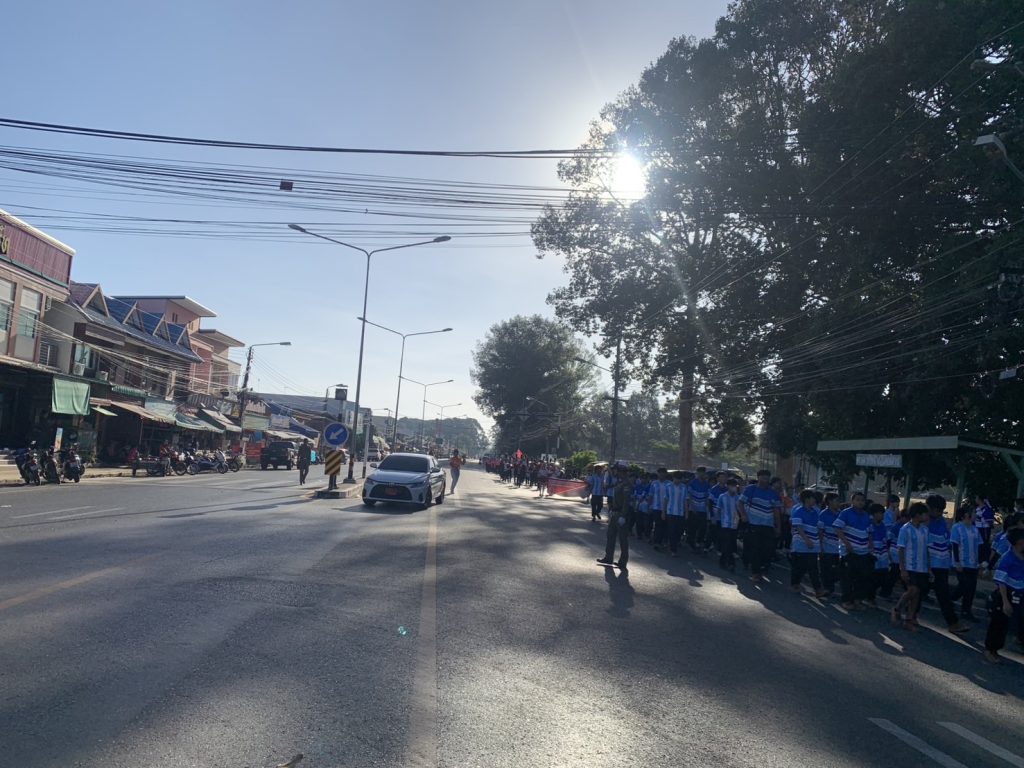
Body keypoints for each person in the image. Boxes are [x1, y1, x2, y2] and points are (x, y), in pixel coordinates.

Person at [920, 494, 971, 634]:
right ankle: (903, 612)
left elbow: (946, 543)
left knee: (942, 594)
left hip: (941, 564)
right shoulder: (923, 522)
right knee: (918, 591)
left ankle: (953, 623)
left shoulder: (942, 522)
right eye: (937, 510)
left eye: (941, 510)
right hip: (927, 564)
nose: (939, 513)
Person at [984, 528, 1024, 663]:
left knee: (1013, 622)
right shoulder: (1007, 558)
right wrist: (1005, 602)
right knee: (999, 623)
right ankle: (990, 649)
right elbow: (1001, 581)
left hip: (1020, 593)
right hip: (1006, 593)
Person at [738, 469, 783, 583]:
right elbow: (740, 503)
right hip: (753, 524)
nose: (765, 480)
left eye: (767, 478)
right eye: (763, 477)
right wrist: (743, 515)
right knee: (755, 549)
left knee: (768, 549)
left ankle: (762, 568)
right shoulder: (750, 489)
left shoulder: (773, 493)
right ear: (758, 477)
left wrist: (778, 527)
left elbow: (776, 511)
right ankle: (755, 573)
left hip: (768, 526)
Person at [894, 502, 931, 630]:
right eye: (924, 514)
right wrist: (902, 568)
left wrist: (929, 568)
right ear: (917, 515)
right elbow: (901, 549)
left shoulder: (925, 530)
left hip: (922, 567)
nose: (927, 516)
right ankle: (897, 608)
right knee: (912, 590)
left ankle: (910, 618)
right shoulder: (905, 529)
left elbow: (927, 550)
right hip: (909, 566)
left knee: (917, 594)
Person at [833, 492, 873, 610]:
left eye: (862, 500)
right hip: (848, 552)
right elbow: (837, 529)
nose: (860, 502)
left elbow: (870, 531)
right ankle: (846, 600)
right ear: (852, 501)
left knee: (861, 577)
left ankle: (857, 600)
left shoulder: (866, 515)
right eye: (858, 500)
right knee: (847, 578)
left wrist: (870, 544)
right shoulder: (845, 513)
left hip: (863, 552)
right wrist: (847, 544)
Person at [597, 466, 634, 572]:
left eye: (617, 471)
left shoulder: (626, 484)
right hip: (615, 512)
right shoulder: (619, 482)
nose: (615, 472)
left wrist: (623, 515)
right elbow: (613, 493)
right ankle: (608, 557)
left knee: (622, 538)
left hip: (621, 513)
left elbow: (626, 501)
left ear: (622, 472)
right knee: (610, 535)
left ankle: (623, 562)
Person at [789, 489, 824, 596]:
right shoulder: (798, 511)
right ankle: (795, 584)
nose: (814, 500)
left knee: (813, 567)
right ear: (807, 499)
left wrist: (819, 542)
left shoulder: (816, 512)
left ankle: (818, 589)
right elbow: (799, 528)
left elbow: (819, 528)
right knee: (799, 566)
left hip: (813, 545)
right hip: (801, 544)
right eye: (813, 498)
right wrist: (807, 540)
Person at [950, 506, 982, 622]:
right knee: (964, 585)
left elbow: (979, 545)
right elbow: (954, 545)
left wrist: (980, 562)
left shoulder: (975, 529)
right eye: (972, 513)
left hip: (973, 563)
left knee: (971, 588)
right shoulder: (957, 527)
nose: (974, 515)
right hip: (962, 563)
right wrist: (957, 562)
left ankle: (966, 610)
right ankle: (951, 598)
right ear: (966, 515)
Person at [867, 503, 893, 604]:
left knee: (883, 576)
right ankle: (870, 598)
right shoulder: (869, 524)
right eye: (881, 513)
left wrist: (888, 554)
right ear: (874, 514)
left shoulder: (882, 525)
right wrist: (871, 552)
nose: (882, 516)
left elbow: (885, 541)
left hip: (883, 555)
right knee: (872, 578)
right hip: (873, 554)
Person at [819, 493, 842, 597]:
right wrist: (820, 546)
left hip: (839, 548)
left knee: (839, 570)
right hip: (827, 547)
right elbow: (820, 531)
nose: (838, 503)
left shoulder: (841, 514)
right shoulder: (823, 514)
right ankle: (828, 589)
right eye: (836, 501)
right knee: (826, 569)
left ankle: (830, 586)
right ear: (829, 502)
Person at [715, 478, 741, 571]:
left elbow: (740, 510)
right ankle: (730, 562)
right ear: (728, 486)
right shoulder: (722, 496)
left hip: (735, 523)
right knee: (727, 543)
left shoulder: (738, 497)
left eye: (735, 486)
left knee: (732, 543)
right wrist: (717, 520)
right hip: (725, 523)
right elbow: (718, 509)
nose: (734, 488)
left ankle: (724, 561)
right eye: (732, 486)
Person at [686, 466, 711, 553]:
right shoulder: (692, 483)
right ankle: (691, 543)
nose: (702, 474)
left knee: (703, 528)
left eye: (703, 472)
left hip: (703, 509)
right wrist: (692, 507)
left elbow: (707, 497)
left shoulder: (707, 484)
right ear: (698, 473)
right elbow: (689, 496)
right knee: (692, 527)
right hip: (693, 509)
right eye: (700, 472)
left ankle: (698, 542)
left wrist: (708, 508)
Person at [663, 472, 688, 557]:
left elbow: (685, 500)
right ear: (673, 478)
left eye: (679, 479)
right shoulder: (668, 486)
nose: (677, 480)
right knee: (672, 530)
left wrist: (686, 512)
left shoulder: (684, 487)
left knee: (679, 531)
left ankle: (675, 543)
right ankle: (673, 549)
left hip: (680, 512)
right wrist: (663, 512)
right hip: (670, 512)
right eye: (676, 478)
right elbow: (665, 499)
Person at [975, 493, 996, 565]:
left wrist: (989, 526)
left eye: (976, 498)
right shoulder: (977, 508)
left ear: (980, 499)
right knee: (978, 544)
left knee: (983, 544)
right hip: (977, 528)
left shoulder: (986, 509)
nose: (975, 500)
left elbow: (990, 521)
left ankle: (984, 560)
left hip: (984, 530)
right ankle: (978, 559)